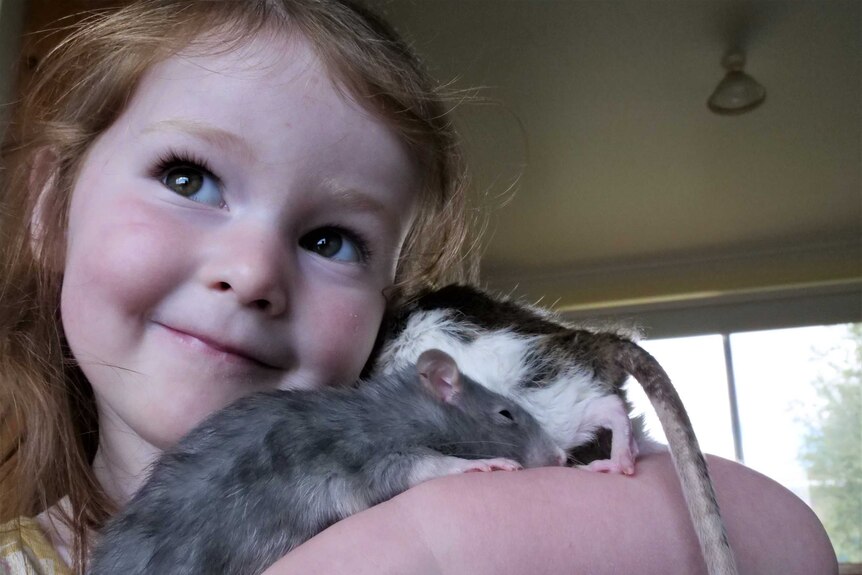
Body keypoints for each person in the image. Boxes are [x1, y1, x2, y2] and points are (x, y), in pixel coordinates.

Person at [0, 1, 838, 574]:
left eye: (331, 239)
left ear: (386, 308)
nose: (254, 273)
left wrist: (433, 540)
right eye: (188, 179)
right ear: (47, 207)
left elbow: (789, 541)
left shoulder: (416, 470)